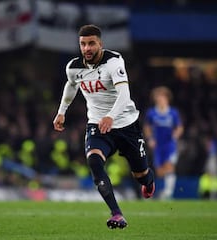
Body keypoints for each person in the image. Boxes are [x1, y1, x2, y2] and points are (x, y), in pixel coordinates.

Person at [53, 24, 155, 229]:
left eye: (91, 43)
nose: (87, 48)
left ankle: (148, 183)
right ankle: (116, 213)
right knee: (94, 161)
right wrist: (62, 111)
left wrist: (111, 116)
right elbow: (71, 85)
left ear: (100, 44)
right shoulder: (73, 67)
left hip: (126, 124)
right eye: (83, 44)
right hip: (97, 125)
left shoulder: (113, 61)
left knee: (141, 175)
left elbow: (124, 94)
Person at [143, 86, 184, 200]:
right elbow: (147, 127)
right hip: (158, 144)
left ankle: (168, 193)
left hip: (170, 144)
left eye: (162, 97)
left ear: (167, 98)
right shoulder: (151, 113)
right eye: (158, 97)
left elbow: (179, 127)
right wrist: (150, 138)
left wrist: (176, 134)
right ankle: (158, 191)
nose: (160, 99)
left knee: (169, 165)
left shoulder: (173, 112)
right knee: (160, 171)